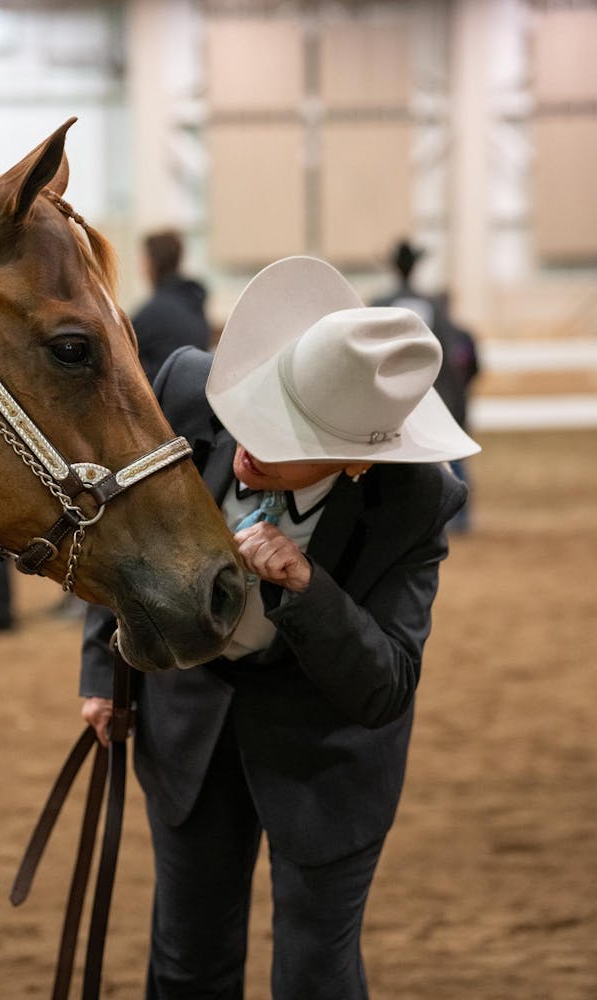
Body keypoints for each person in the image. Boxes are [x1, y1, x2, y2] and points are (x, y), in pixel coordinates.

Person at [79, 256, 480, 1000]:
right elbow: (122, 537)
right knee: (186, 962)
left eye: (285, 443)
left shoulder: (415, 504)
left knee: (314, 978)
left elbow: (386, 685)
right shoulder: (185, 390)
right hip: (191, 730)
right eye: (255, 413)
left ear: (357, 462)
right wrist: (103, 673)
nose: (249, 448)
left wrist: (305, 586)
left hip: (327, 757)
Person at [374, 240, 480, 530]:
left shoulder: (381, 304)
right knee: (450, 454)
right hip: (437, 392)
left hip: (392, 396)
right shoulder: (434, 306)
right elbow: (451, 357)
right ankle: (459, 516)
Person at [131, 229, 212, 383]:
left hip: (164, 400)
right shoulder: (193, 303)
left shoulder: (154, 313)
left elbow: (121, 351)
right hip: (192, 393)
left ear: (153, 262)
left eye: (144, 258)